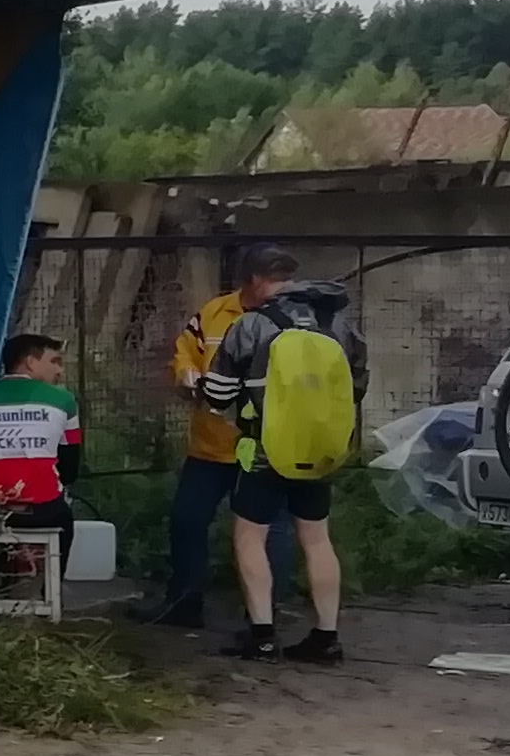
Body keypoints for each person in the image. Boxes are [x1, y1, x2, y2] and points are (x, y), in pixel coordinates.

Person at [202, 268, 369, 665]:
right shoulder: (340, 326)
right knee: (316, 538)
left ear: (263, 284)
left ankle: (261, 636)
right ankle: (326, 638)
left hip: (267, 450)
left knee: (249, 536)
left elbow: (217, 393)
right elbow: (357, 389)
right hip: (321, 450)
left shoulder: (252, 325)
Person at [136, 240, 294, 627]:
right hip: (211, 444)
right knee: (187, 520)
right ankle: (184, 601)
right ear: (253, 279)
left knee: (271, 530)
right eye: (277, 278)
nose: (285, 286)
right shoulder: (214, 313)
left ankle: (264, 613)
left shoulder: (294, 317)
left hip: (267, 447)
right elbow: (185, 353)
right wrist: (185, 375)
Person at [0, 331, 92, 555]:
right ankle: (53, 577)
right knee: (63, 521)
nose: (59, 370)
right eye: (54, 361)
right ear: (30, 362)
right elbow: (70, 467)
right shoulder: (64, 401)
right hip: (45, 510)